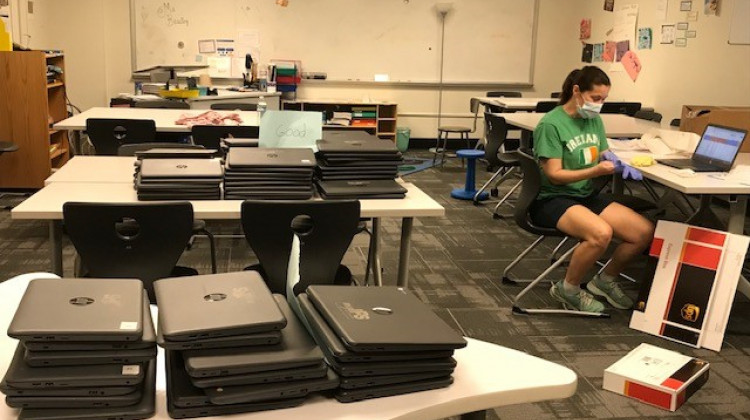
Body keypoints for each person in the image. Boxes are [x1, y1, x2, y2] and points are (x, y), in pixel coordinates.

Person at [530, 66, 654, 314]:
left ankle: (604, 281)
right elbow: (554, 176)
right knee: (600, 234)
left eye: (604, 99)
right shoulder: (551, 124)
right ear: (577, 91)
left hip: (584, 195)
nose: (599, 105)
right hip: (553, 199)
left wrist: (621, 161)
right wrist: (595, 172)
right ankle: (568, 289)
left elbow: (603, 151)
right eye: (595, 98)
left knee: (643, 232)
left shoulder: (593, 119)